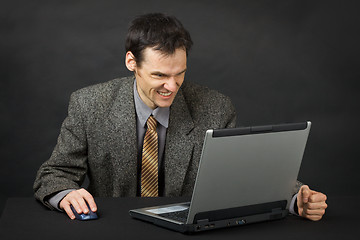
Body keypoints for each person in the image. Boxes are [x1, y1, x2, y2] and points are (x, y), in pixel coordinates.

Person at [33, 13, 327, 221]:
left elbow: (241, 174)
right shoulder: (89, 104)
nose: (172, 87)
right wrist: (66, 194)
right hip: (114, 228)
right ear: (131, 62)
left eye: (180, 73)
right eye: (159, 75)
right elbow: (54, 174)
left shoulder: (216, 107)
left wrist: (295, 199)